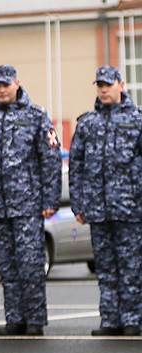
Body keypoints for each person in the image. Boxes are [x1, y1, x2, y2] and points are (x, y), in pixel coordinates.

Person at [0, 65, 61, 336]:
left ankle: (34, 320)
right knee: (6, 265)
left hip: (28, 205)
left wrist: (49, 199)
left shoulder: (35, 116)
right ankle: (14, 318)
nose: (2, 89)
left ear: (17, 83)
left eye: (6, 84)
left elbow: (50, 159)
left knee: (31, 264)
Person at [69, 65, 142, 336]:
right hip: (98, 208)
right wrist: (78, 203)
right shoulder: (87, 123)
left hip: (130, 208)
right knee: (106, 267)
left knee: (131, 266)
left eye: (108, 84)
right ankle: (110, 320)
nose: (103, 89)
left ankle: (133, 319)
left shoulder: (136, 119)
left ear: (121, 85)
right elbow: (76, 165)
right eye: (99, 84)